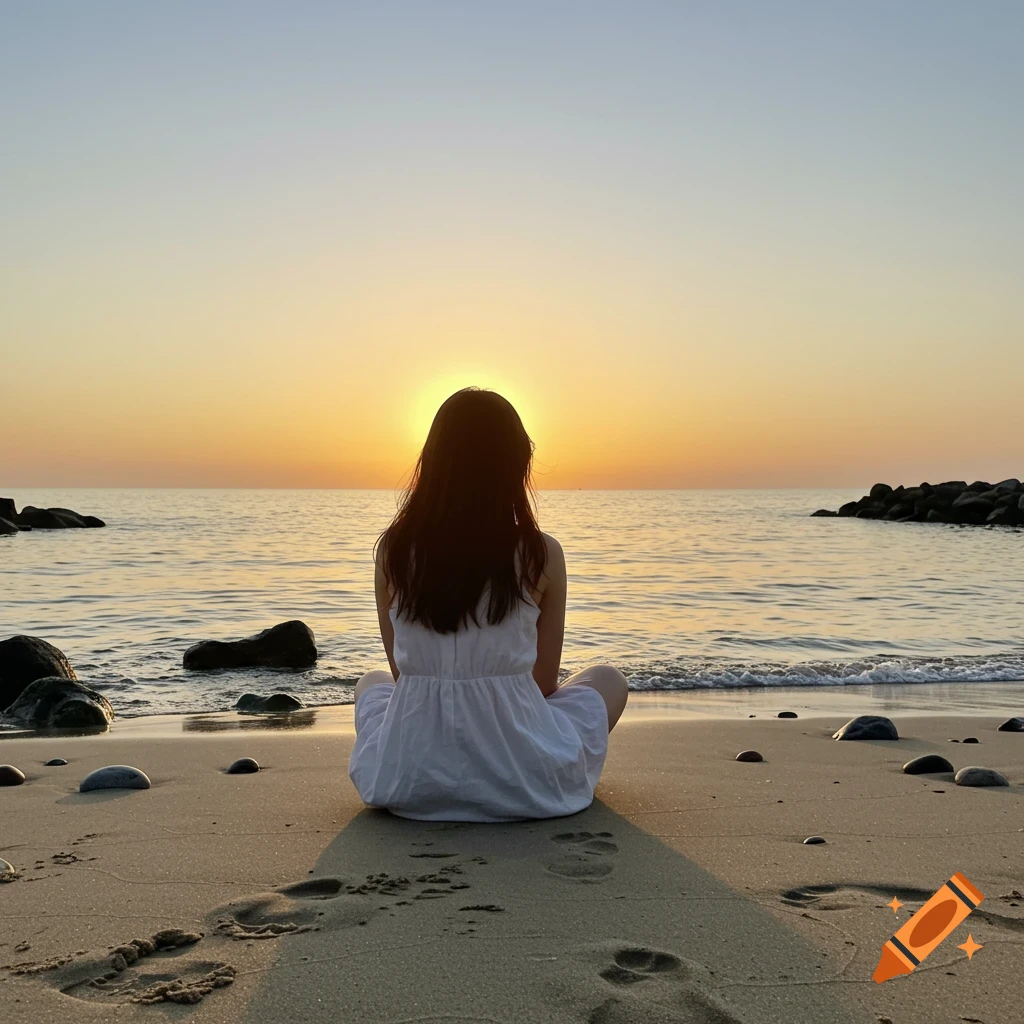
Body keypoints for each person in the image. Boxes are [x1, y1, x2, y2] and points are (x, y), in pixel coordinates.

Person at [348, 387, 628, 821]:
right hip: (522, 781)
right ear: (515, 465)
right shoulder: (541, 554)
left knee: (372, 682)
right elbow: (543, 684)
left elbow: (404, 677)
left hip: (408, 779)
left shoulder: (394, 552)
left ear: (433, 463)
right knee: (608, 680)